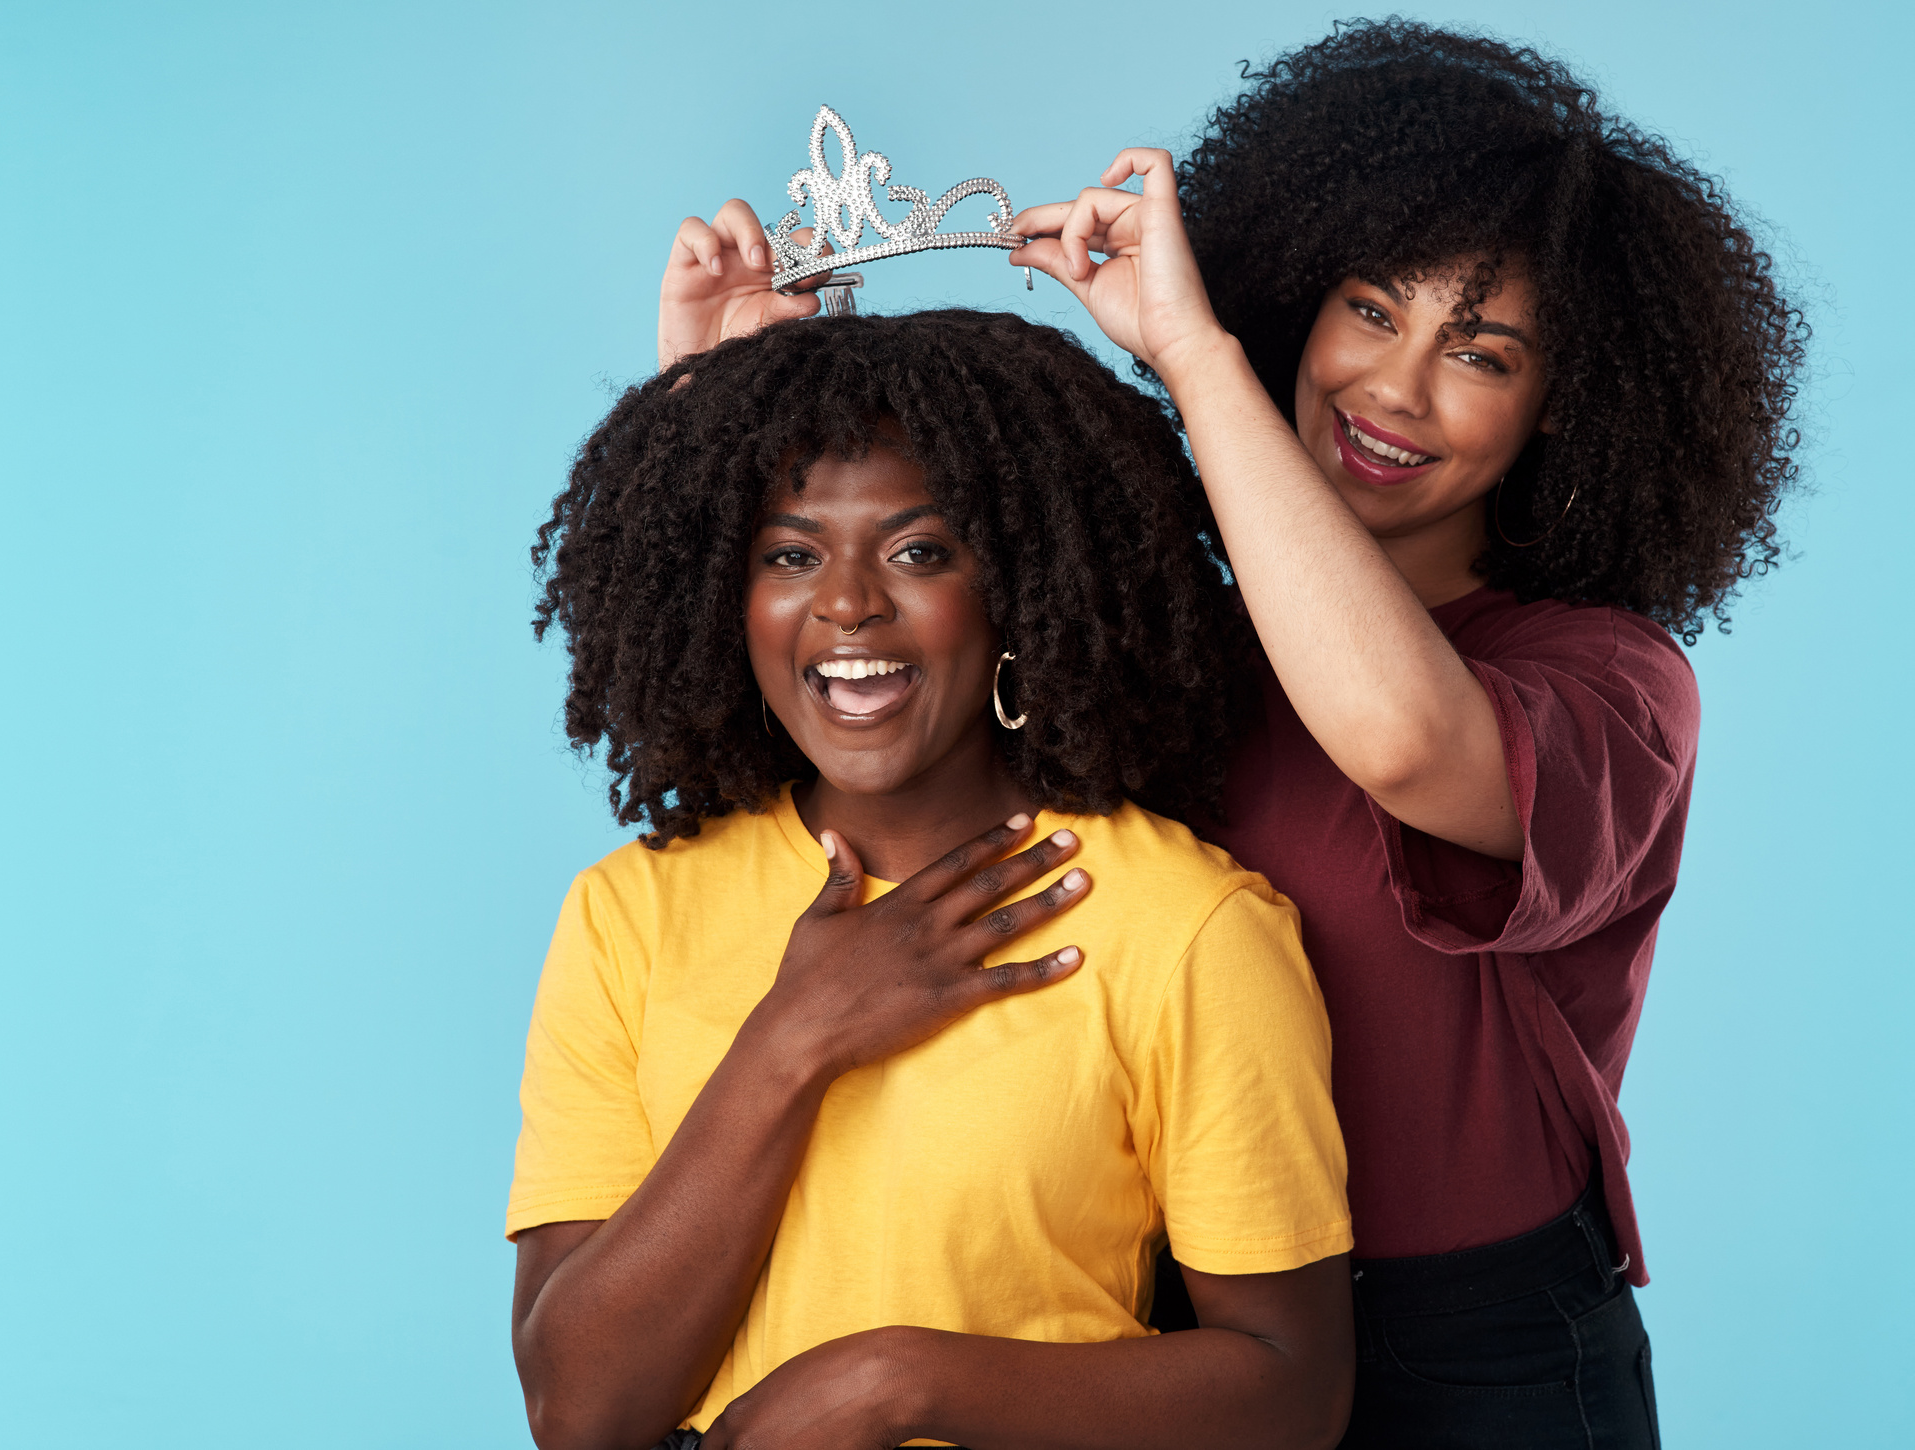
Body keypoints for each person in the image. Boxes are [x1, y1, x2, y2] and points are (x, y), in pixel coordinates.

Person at [655, 20, 1804, 1449]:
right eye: (1372, 309)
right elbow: (853, 710)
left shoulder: (1610, 683)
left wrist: (1200, 362)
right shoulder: (1159, 628)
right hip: (1183, 1322)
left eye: (1483, 352)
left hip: (1477, 1350)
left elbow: (1396, 736)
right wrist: (708, 404)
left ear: (1564, 409)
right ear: (1301, 293)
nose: (1397, 387)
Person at [509, 308, 1356, 1449]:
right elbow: (579, 1413)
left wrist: (894, 1382)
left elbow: (1292, 1392)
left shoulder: (1187, 927)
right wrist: (794, 1037)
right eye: (790, 553)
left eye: (920, 550)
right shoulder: (628, 915)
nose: (848, 602)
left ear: (1019, 584)